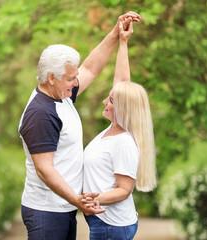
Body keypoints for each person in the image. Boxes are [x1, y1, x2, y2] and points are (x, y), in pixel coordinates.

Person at [18, 11, 141, 240]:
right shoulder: (41, 113)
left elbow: (91, 68)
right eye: (70, 79)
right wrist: (78, 201)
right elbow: (44, 170)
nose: (76, 84)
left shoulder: (61, 94)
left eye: (75, 77)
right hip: (47, 211)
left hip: (63, 207)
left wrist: (116, 34)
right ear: (51, 77)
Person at [82, 19, 157, 240]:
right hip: (105, 223)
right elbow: (121, 81)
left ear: (123, 108)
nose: (105, 100)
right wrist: (123, 42)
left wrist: (90, 200)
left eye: (111, 100)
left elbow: (123, 190)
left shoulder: (123, 142)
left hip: (111, 227)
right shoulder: (111, 131)